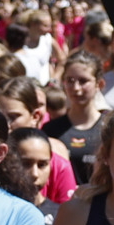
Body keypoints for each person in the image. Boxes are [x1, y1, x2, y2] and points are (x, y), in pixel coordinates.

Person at [44, 51, 107, 185]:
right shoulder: (51, 130)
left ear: (99, 84)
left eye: (83, 81)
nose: (76, 88)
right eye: (70, 81)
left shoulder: (109, 129)